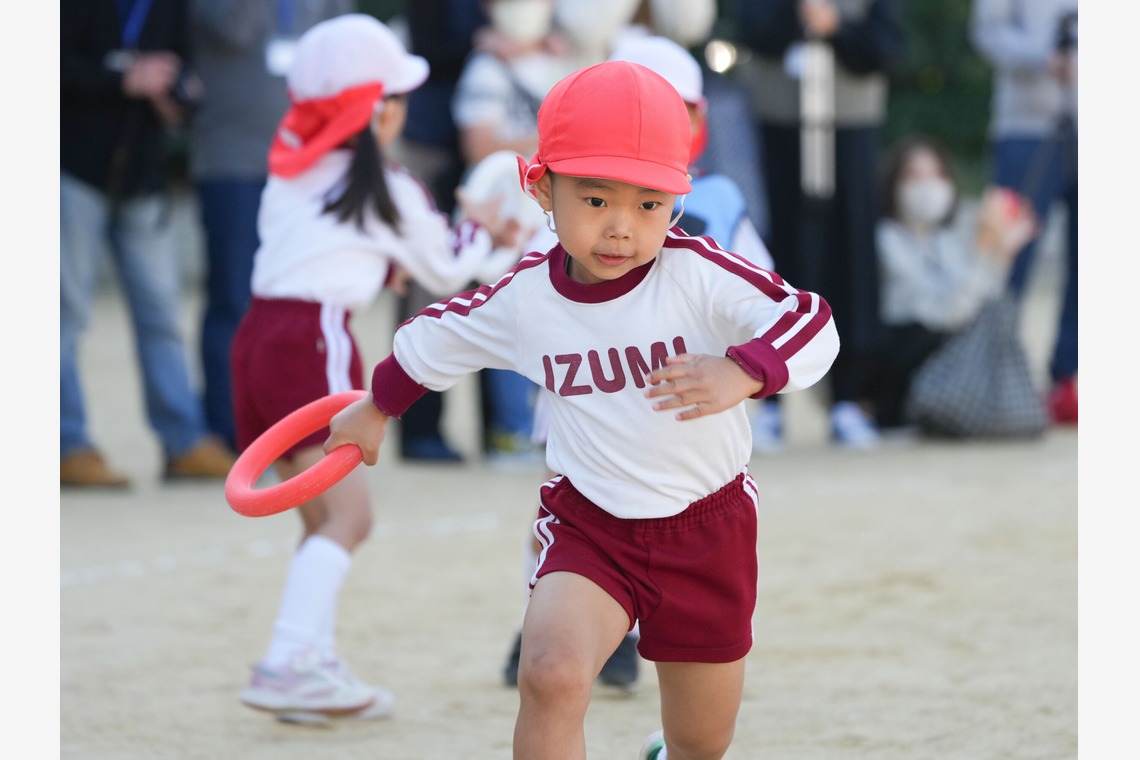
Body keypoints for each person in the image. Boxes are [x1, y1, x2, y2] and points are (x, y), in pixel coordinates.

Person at [324, 59, 839, 759]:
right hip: (589, 524)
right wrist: (374, 408)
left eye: (649, 205)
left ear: (677, 205)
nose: (622, 228)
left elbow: (811, 320)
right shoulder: (527, 298)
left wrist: (745, 371)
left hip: (707, 531)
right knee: (551, 674)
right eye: (596, 201)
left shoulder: (698, 273)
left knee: (701, 743)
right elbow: (435, 338)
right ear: (542, 188)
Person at [230, 14, 513, 722]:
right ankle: (290, 660)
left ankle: (310, 660)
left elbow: (322, 245)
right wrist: (481, 219)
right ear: (379, 110)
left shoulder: (291, 168)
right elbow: (449, 265)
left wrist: (388, 258)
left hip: (259, 339)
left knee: (318, 517)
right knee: (350, 518)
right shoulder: (388, 186)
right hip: (315, 341)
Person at [498, 32, 781, 691]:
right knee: (568, 494)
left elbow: (764, 287)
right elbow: (525, 286)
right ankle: (551, 618)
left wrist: (742, 364)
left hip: (676, 392)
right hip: (584, 377)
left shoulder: (715, 200)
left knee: (672, 503)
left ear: (697, 120)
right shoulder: (571, 187)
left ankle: (629, 628)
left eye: (677, 110)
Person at [61, 0, 237, 488]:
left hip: (142, 175)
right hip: (72, 170)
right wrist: (123, 77)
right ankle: (64, 445)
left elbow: (183, 65)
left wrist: (180, 95)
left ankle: (183, 441)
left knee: (161, 314)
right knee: (62, 315)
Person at [733, 0, 904, 449]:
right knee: (781, 254)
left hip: (850, 126)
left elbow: (885, 49)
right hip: (782, 126)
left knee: (852, 256)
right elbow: (752, 32)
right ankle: (770, 400)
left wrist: (837, 26)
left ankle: (849, 398)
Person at [186, 0, 353, 451]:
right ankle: (231, 430)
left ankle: (293, 428)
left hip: (311, 165)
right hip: (233, 160)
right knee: (234, 298)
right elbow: (232, 28)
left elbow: (343, 49)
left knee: (300, 301)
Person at [452, 0, 578, 465]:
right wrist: (551, 143)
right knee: (508, 316)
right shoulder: (486, 66)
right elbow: (479, 143)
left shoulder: (558, 57)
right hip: (502, 208)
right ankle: (509, 430)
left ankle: (540, 429)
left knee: (550, 314)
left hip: (544, 210)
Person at [873, 136, 1038, 431]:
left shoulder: (944, 240)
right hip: (903, 360)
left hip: (942, 356)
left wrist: (1001, 252)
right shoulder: (886, 241)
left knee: (999, 313)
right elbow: (948, 315)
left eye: (936, 176)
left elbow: (981, 300)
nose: (928, 186)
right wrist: (986, 249)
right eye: (915, 176)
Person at [388, 0, 490, 462]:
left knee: (497, 279)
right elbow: (428, 44)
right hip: (432, 137)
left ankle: (499, 426)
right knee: (426, 287)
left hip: (489, 135)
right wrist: (485, 41)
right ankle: (420, 427)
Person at [969, 0, 1078, 425]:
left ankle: (1069, 378)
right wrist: (1041, 58)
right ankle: (997, 374)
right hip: (1026, 127)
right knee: (1011, 255)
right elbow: (987, 31)